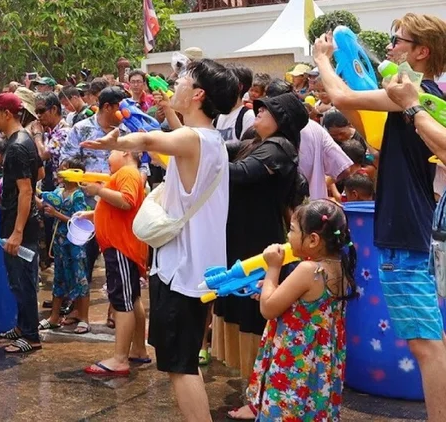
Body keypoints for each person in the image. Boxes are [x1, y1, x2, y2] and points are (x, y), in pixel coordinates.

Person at [83, 59, 240, 422]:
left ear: (198, 94)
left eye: (183, 80)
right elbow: (168, 135)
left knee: (180, 366)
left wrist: (119, 139)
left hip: (181, 271)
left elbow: (152, 139)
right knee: (185, 363)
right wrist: (165, 113)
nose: (176, 84)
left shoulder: (191, 139)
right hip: (198, 269)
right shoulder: (210, 139)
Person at [315, 14, 446, 420]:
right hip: (413, 227)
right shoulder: (416, 99)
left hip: (405, 232)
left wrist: (322, 58)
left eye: (398, 40)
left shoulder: (412, 96)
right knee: (428, 340)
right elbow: (365, 126)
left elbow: (341, 97)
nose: (389, 47)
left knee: (426, 344)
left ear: (421, 52)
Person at [229, 199, 356, 421]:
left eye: (292, 230)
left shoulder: (308, 269)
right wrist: (274, 289)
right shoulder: (339, 267)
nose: (288, 236)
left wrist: (273, 268)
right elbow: (306, 305)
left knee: (286, 411)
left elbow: (268, 309)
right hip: (319, 367)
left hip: (294, 364)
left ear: (313, 240)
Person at [214, 92, 305, 377]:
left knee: (254, 313)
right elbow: (217, 148)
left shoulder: (279, 148)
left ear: (281, 120)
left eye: (266, 111)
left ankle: (259, 391)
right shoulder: (257, 142)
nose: (259, 113)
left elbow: (240, 172)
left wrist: (203, 162)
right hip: (243, 235)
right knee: (242, 305)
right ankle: (253, 388)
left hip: (258, 239)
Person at [0, 92, 42, 354]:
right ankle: (22, 326)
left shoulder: (16, 147)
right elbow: (40, 172)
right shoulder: (23, 140)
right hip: (20, 221)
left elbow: (26, 190)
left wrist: (17, 232)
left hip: (21, 226)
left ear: (7, 114)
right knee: (18, 280)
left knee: (23, 280)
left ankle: (31, 335)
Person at [79, 148, 149, 376]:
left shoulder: (127, 173)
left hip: (121, 247)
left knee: (122, 302)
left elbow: (127, 202)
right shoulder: (126, 174)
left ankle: (120, 359)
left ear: (126, 152)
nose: (108, 158)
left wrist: (99, 190)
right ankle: (138, 349)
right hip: (121, 246)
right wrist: (93, 214)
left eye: (111, 152)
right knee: (131, 298)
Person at [39, 157, 91, 334]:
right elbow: (45, 202)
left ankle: (84, 318)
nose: (59, 173)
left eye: (64, 170)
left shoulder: (78, 195)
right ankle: (54, 317)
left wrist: (56, 214)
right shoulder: (59, 191)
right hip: (60, 243)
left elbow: (79, 220)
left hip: (74, 242)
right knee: (59, 277)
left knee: (79, 277)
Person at [61, 86, 130, 173]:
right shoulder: (80, 129)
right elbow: (66, 160)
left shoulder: (128, 131)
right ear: (107, 107)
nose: (126, 113)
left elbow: (142, 165)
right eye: (121, 109)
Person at [215, 64, 256, 146]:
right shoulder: (217, 117)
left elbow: (247, 150)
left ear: (239, 87)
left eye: (224, 83)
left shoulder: (248, 116)